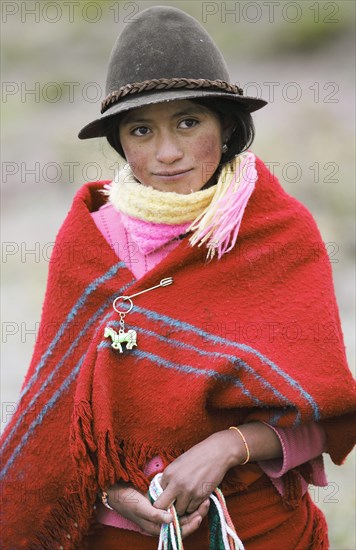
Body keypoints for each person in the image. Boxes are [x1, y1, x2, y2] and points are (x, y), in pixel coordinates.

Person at [1, 6, 355, 550]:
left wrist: (225, 448)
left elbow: (324, 416)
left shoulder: (280, 237)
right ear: (121, 142)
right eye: (141, 130)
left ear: (228, 126)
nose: (167, 153)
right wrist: (117, 493)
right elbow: (62, 425)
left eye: (189, 123)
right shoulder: (91, 241)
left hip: (260, 532)